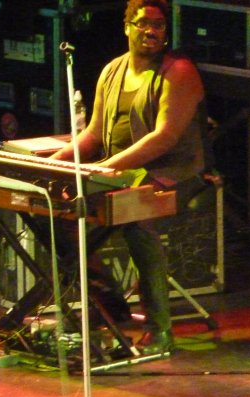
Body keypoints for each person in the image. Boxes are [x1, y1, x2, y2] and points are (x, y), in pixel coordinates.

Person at [50, 0, 209, 354]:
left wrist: (108, 168)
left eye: (159, 25)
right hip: (120, 172)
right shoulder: (112, 70)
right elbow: (93, 134)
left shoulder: (179, 71)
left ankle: (160, 330)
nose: (151, 31)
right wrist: (55, 164)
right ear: (126, 27)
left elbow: (165, 137)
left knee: (138, 220)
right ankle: (111, 306)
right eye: (142, 23)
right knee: (57, 215)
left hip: (175, 174)